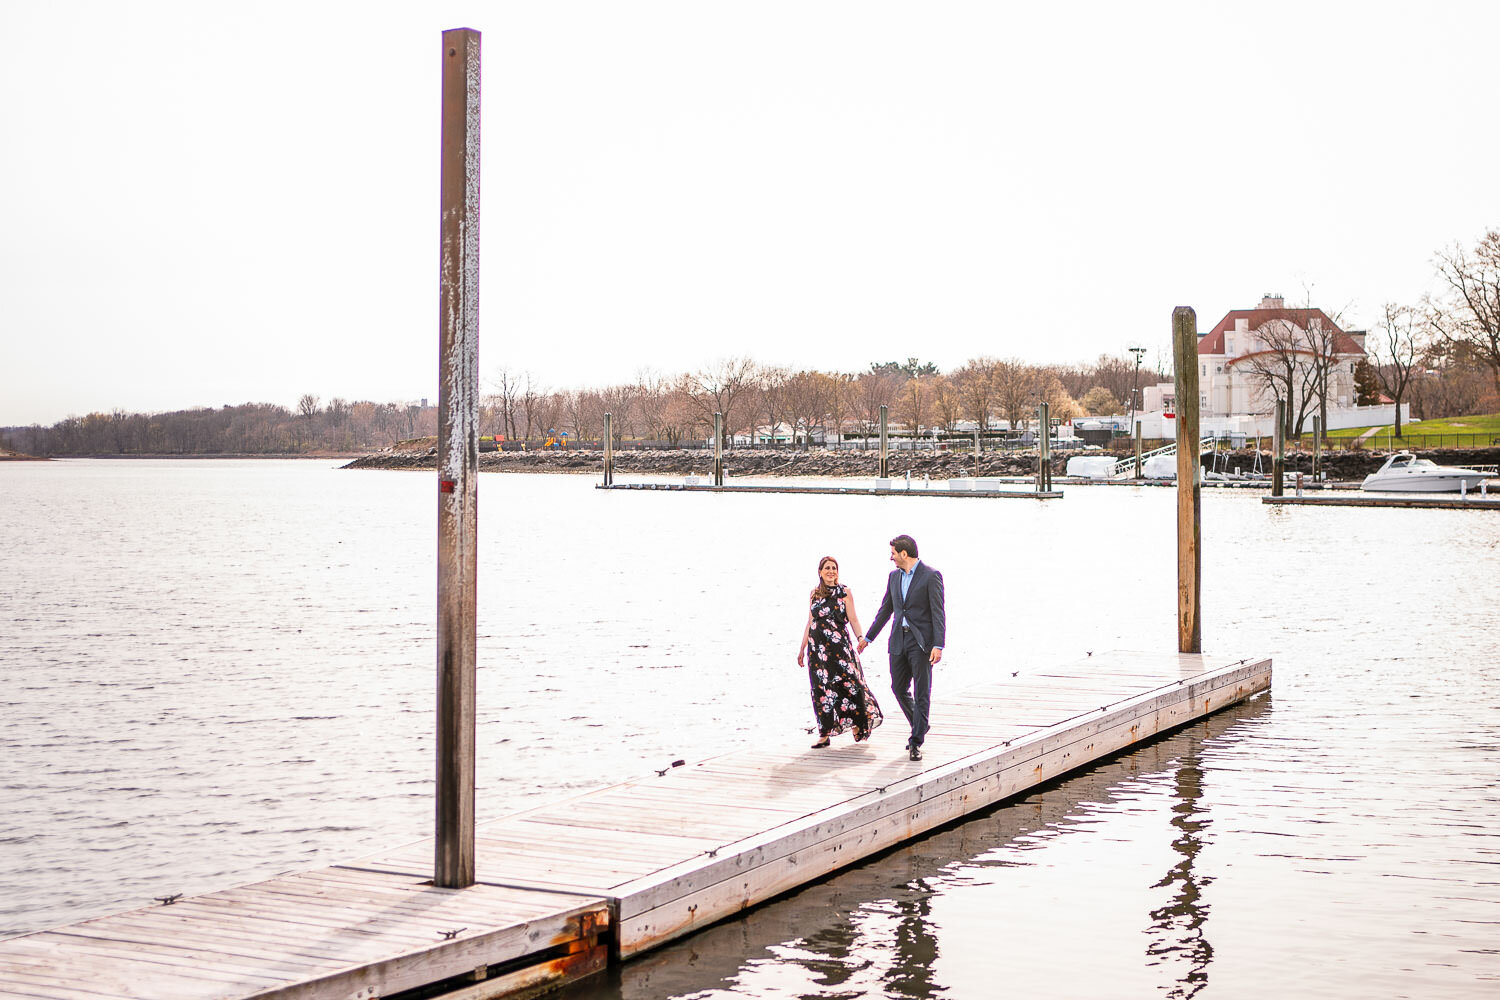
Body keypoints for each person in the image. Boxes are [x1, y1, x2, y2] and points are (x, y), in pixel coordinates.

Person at [859, 534, 945, 761]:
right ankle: (921, 724)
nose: (891, 558)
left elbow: (938, 613)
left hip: (921, 643)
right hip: (898, 640)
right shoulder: (893, 577)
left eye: (893, 553)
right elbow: (886, 610)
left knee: (921, 691)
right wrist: (868, 638)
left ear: (904, 553)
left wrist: (938, 645)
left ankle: (916, 741)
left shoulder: (931, 576)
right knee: (898, 688)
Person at [796, 556, 884, 748]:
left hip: (839, 650)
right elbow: (810, 622)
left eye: (834, 568)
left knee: (851, 684)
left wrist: (861, 638)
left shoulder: (844, 592)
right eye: (827, 568)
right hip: (817, 652)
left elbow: (853, 619)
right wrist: (802, 648)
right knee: (821, 689)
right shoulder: (814, 594)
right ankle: (824, 733)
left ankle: (858, 724)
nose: (831, 571)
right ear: (820, 572)